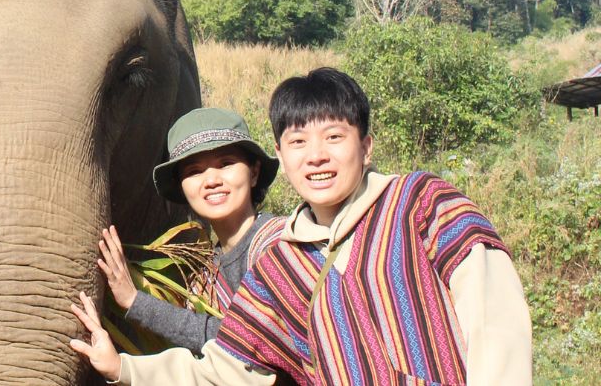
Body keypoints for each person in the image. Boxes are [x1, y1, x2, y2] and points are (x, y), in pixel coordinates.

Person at [71, 67, 532, 385]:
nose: (316, 156)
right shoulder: (285, 262)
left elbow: (496, 323)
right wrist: (123, 369)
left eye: (334, 137)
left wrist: (136, 304)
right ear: (283, 154)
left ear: (365, 146)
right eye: (298, 142)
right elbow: (231, 364)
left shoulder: (419, 205)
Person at [96, 107, 284, 354]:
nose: (211, 181)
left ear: (254, 172)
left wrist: (136, 301)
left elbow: (252, 340)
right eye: (194, 171)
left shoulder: (282, 245)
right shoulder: (203, 280)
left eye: (225, 164)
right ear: (182, 186)